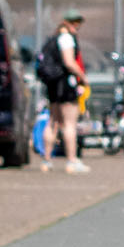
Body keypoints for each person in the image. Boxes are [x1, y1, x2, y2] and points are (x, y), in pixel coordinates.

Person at [38, 10, 90, 174]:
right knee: (69, 124)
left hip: (53, 84)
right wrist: (82, 77)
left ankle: (46, 161)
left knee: (52, 121)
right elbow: (69, 62)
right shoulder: (67, 38)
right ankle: (72, 161)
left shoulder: (53, 39)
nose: (77, 27)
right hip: (65, 84)